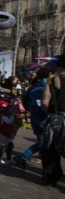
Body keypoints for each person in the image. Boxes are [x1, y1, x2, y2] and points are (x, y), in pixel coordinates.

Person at [13, 66, 54, 170]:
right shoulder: (42, 84)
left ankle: (25, 157)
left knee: (45, 142)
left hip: (35, 116)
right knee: (48, 141)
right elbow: (42, 103)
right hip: (42, 116)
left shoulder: (34, 85)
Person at [38, 55, 64, 185]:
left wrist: (50, 113)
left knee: (50, 148)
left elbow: (44, 102)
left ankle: (51, 176)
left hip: (57, 116)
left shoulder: (52, 80)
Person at [0, 100, 16, 164]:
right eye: (7, 108)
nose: (8, 109)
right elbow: (9, 121)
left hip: (5, 132)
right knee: (3, 146)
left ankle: (8, 159)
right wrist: (13, 116)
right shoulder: (2, 115)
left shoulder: (3, 114)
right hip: (3, 133)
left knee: (10, 145)